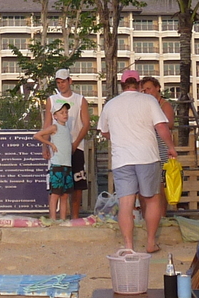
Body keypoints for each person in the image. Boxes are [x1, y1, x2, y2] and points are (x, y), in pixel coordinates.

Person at [98, 68, 176, 253]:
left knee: (125, 203)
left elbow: (104, 131)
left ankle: (128, 245)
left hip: (122, 159)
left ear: (122, 84)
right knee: (151, 200)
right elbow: (162, 127)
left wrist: (118, 137)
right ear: (139, 84)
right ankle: (150, 242)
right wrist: (171, 147)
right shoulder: (148, 100)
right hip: (147, 156)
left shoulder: (111, 104)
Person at [51, 69, 89, 218]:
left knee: (77, 185)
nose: (61, 85)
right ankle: (57, 217)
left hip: (76, 147)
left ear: (69, 81)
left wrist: (75, 143)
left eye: (63, 82)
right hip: (59, 151)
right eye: (58, 82)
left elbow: (86, 124)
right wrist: (45, 146)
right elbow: (47, 124)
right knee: (59, 187)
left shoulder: (80, 100)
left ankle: (74, 216)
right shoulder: (52, 99)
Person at [139, 76, 178, 218]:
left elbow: (169, 123)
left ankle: (162, 216)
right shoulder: (144, 105)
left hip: (161, 147)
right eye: (143, 90)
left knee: (161, 183)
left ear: (157, 88)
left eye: (149, 89)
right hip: (146, 146)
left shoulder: (164, 105)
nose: (146, 92)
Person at [34, 95, 76, 220]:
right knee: (55, 194)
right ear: (55, 116)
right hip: (57, 164)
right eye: (62, 112)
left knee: (65, 195)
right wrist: (50, 144)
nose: (65, 114)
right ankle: (53, 219)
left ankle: (63, 219)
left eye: (66, 112)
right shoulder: (54, 127)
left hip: (67, 165)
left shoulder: (66, 129)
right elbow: (37, 135)